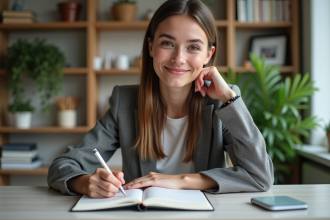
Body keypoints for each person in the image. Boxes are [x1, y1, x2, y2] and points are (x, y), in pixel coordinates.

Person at [47, 0, 274, 198]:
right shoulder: (124, 102)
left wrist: (181, 181)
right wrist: (87, 183)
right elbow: (62, 166)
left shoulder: (221, 103)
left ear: (208, 55)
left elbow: (260, 176)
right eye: (167, 43)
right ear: (151, 46)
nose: (179, 58)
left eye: (193, 47)